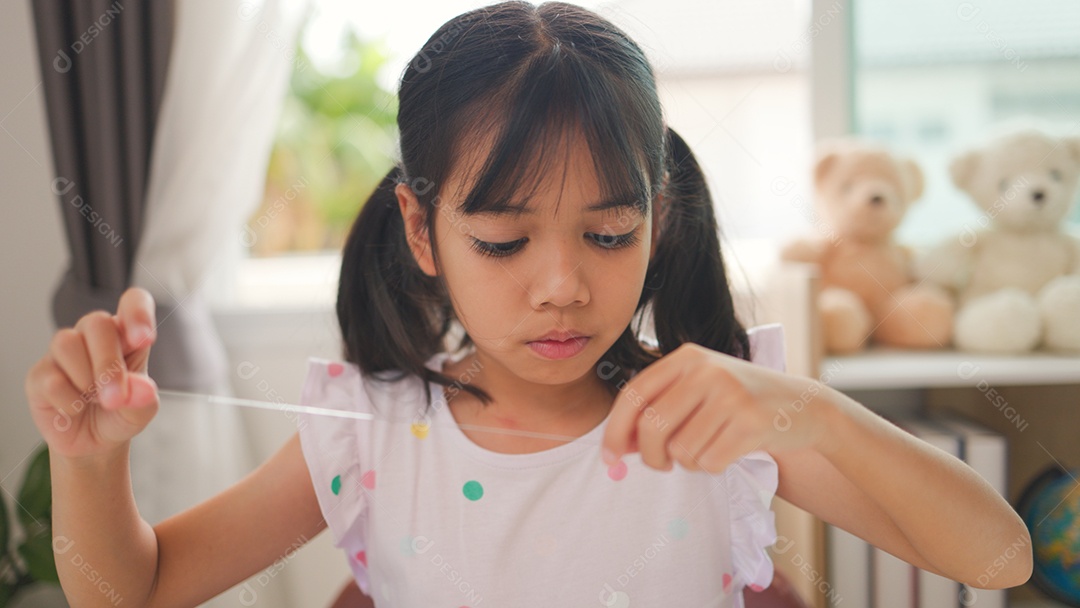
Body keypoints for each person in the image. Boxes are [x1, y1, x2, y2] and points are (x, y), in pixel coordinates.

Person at [25, 2, 1032, 606]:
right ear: (422, 232)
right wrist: (90, 456)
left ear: (658, 216)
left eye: (608, 234)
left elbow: (997, 553)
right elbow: (136, 590)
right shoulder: (372, 429)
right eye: (503, 240)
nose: (562, 284)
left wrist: (806, 407)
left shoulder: (717, 418)